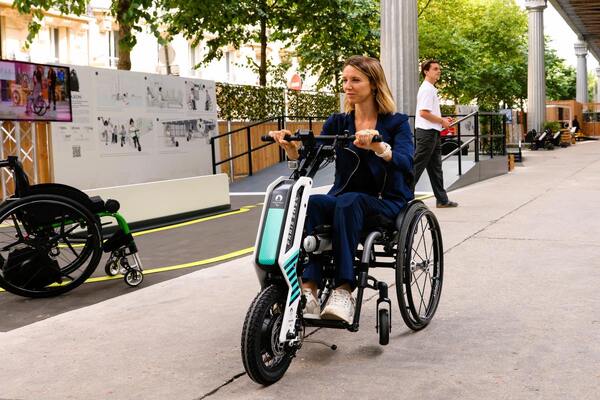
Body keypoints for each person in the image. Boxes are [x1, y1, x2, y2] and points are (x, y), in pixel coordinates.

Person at [268, 55, 414, 324]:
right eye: (345, 80)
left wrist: (379, 147)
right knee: (309, 203)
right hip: (345, 198)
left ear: (374, 84)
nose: (348, 85)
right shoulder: (338, 122)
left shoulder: (396, 123)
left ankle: (344, 290)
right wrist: (292, 149)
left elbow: (406, 162)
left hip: (385, 201)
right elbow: (312, 156)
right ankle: (309, 289)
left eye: (355, 80)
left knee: (349, 202)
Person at [414, 60, 458, 208]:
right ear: (426, 72)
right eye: (435, 69)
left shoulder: (430, 88)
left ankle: (442, 200)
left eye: (439, 69)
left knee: (435, 168)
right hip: (426, 133)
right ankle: (401, 196)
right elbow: (424, 113)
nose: (438, 71)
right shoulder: (427, 89)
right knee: (417, 165)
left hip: (432, 132)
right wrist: (442, 121)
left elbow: (428, 113)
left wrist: (442, 120)